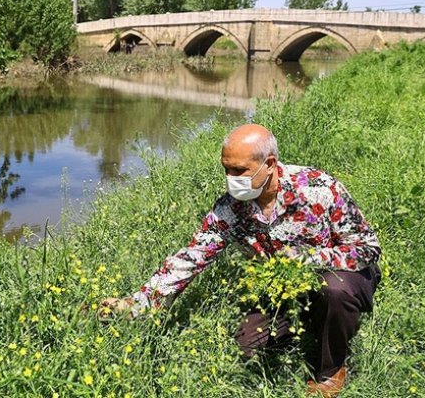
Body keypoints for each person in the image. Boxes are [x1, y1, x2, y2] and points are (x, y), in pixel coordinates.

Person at [100, 124, 381, 397]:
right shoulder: (231, 208)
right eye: (226, 169)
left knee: (333, 290)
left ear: (269, 163)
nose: (231, 178)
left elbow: (367, 247)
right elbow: (192, 257)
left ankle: (330, 369)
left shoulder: (319, 188)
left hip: (339, 274)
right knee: (249, 347)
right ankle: (311, 322)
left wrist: (309, 258)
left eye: (239, 170)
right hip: (282, 288)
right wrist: (137, 303)